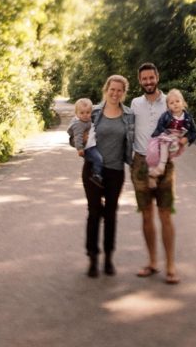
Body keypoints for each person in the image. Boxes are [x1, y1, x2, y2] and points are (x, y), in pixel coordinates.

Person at [129, 62, 187, 284]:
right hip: (140, 163)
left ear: (157, 77)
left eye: (151, 78)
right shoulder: (135, 103)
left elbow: (186, 126)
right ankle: (153, 262)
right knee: (146, 214)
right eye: (144, 79)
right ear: (139, 81)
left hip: (165, 164)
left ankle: (171, 266)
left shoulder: (170, 101)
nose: (148, 82)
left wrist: (182, 142)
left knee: (165, 214)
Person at [81, 75, 133, 278]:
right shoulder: (93, 112)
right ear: (106, 89)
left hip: (115, 171)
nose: (115, 93)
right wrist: (80, 141)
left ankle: (108, 257)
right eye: (112, 89)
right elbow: (74, 136)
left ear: (124, 92)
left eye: (119, 90)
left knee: (110, 214)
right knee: (94, 213)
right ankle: (93, 258)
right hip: (93, 170)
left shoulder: (128, 115)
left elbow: (136, 139)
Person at [146, 88, 196, 189]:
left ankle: (156, 172)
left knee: (170, 149)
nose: (175, 104)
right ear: (168, 106)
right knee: (153, 153)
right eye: (171, 103)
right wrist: (167, 134)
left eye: (177, 101)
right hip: (166, 136)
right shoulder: (165, 115)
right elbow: (160, 127)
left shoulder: (187, 117)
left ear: (183, 102)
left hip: (177, 140)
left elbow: (194, 132)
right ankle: (155, 172)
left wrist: (186, 139)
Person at [68, 98, 104, 187]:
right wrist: (79, 148)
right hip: (88, 148)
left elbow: (96, 107)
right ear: (76, 113)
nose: (85, 115)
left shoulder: (87, 120)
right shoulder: (78, 124)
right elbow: (78, 137)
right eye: (82, 113)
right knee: (98, 159)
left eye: (88, 112)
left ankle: (96, 172)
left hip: (92, 146)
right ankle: (96, 175)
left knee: (96, 159)